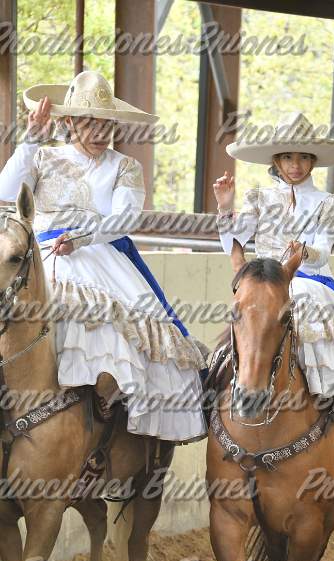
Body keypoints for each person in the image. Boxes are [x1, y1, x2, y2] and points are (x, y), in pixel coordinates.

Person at [0, 70, 207, 443]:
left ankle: (105, 421)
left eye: (106, 123)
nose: (100, 132)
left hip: (100, 255)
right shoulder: (43, 156)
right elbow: (6, 190)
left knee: (125, 330)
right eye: (89, 122)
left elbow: (125, 219)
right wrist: (30, 140)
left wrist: (82, 238)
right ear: (68, 123)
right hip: (43, 256)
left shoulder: (125, 166)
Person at [213, 111, 334, 453]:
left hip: (310, 278)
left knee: (325, 324)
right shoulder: (259, 198)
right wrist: (225, 207)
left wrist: (304, 251)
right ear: (277, 160)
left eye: (304, 157)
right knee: (240, 329)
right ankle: (213, 394)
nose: (296, 165)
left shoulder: (327, 203)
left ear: (313, 161)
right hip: (266, 282)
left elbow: (323, 252)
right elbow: (235, 239)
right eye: (288, 157)